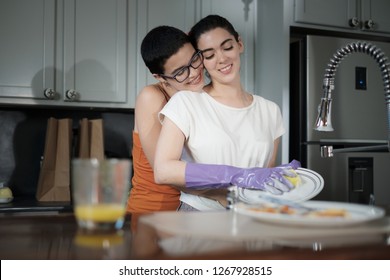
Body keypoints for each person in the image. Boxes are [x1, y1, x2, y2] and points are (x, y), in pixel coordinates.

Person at [153, 15, 300, 211]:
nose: (222, 59)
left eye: (227, 47)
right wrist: (235, 175)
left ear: (240, 44)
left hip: (253, 216)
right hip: (201, 216)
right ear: (200, 61)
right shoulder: (186, 103)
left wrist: (283, 181)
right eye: (209, 55)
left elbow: (264, 174)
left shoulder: (270, 110)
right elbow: (163, 171)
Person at [126, 26, 205, 218]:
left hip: (193, 214)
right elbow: (167, 174)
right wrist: (224, 193)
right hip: (153, 214)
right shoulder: (151, 97)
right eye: (180, 72)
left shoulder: (201, 96)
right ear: (160, 77)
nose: (194, 72)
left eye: (195, 59)